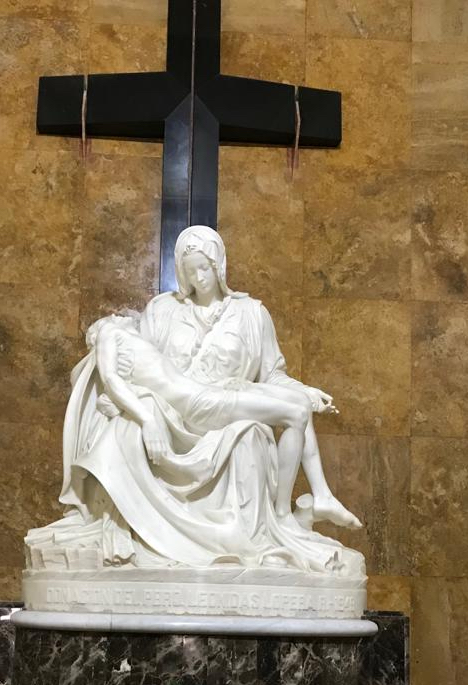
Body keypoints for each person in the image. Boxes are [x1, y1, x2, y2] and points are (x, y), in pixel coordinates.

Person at [54, 226, 364, 575]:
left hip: (231, 398)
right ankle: (290, 513)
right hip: (181, 413)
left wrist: (306, 390)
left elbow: (272, 375)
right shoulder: (160, 311)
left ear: (219, 266)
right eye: (190, 271)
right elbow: (126, 375)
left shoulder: (252, 313)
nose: (198, 278)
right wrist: (140, 412)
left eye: (204, 268)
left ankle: (305, 506)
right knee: (291, 413)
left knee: (285, 412)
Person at [89, 313, 356, 528]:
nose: (121, 316)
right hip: (199, 404)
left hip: (207, 392)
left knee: (300, 402)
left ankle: (322, 496)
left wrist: (306, 390)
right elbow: (111, 379)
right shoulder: (109, 332)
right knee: (296, 414)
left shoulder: (132, 341)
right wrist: (147, 419)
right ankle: (283, 515)